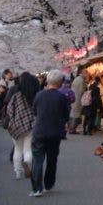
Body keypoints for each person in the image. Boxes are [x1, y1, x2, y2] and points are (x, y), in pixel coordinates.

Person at [29, 69, 70, 197]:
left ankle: (37, 188)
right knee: (52, 159)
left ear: (48, 81)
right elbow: (66, 115)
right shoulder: (62, 97)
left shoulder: (39, 95)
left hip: (40, 130)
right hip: (55, 132)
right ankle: (49, 184)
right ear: (60, 83)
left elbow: (34, 111)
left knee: (38, 159)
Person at [3, 71, 37, 178]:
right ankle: (27, 162)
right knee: (28, 148)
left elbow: (8, 108)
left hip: (16, 124)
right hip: (30, 123)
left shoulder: (14, 91)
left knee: (17, 148)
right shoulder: (34, 92)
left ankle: (18, 172)